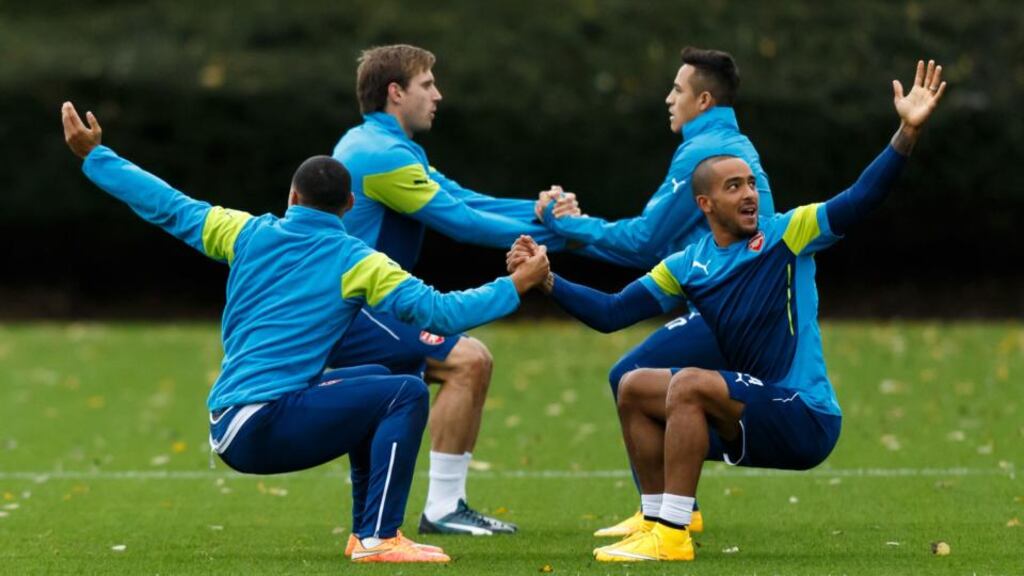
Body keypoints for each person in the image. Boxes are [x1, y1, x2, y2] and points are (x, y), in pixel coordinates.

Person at [61, 101, 551, 563]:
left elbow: (167, 204)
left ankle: (367, 532)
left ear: (292, 197)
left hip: (228, 421)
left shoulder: (244, 231)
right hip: (263, 425)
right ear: (350, 204)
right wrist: (516, 284)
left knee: (379, 378)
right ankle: (379, 537)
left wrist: (96, 155)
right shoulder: (358, 261)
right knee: (404, 392)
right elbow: (441, 313)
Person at [509, 60, 946, 562]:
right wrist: (546, 280)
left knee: (690, 383)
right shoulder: (687, 265)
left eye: (751, 184)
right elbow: (610, 313)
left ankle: (672, 536)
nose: (749, 195)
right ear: (705, 204)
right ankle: (656, 521)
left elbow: (862, 197)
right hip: (754, 416)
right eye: (733, 187)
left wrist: (907, 131)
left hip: (805, 416)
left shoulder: (788, 234)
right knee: (633, 384)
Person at [330, 44, 581, 536]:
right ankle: (441, 510)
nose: (438, 95)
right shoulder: (379, 156)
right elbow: (462, 222)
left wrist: (538, 212)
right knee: (469, 361)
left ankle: (423, 512)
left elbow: (464, 198)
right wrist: (570, 233)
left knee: (458, 369)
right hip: (357, 310)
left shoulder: (383, 146)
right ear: (395, 93)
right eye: (427, 85)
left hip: (372, 304)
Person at [536, 47, 776, 538]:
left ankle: (664, 516)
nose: (669, 99)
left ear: (703, 99)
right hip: (746, 304)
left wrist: (566, 226)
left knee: (630, 378)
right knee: (643, 381)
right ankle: (672, 511)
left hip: (736, 310)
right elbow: (678, 246)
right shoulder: (729, 144)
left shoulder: (702, 155)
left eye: (677, 90)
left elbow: (644, 241)